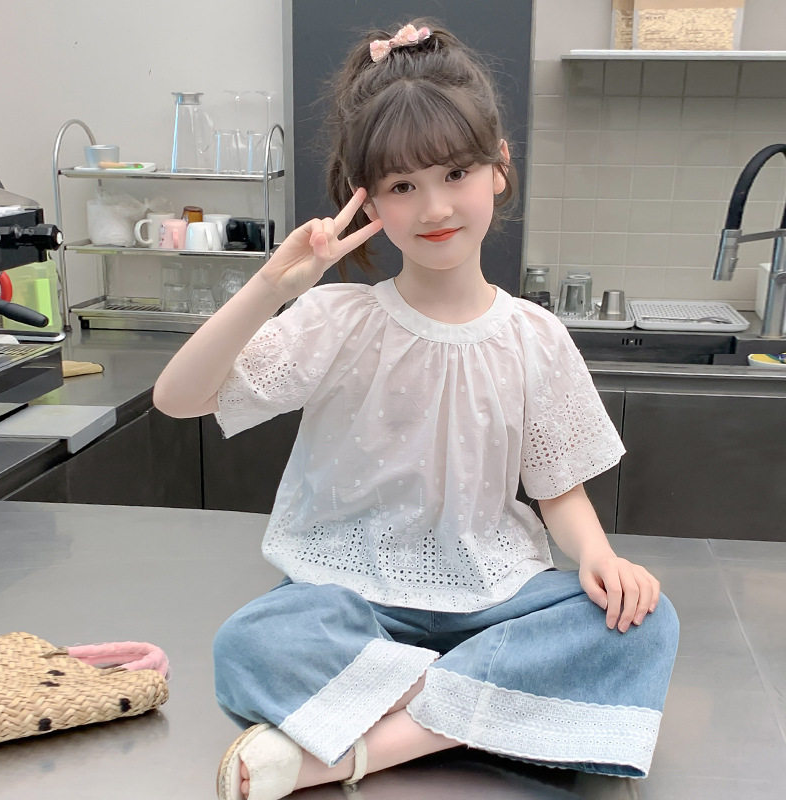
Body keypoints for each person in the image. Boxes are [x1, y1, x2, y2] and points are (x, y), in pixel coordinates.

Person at [153, 20, 679, 800]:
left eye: (456, 172)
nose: (434, 206)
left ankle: (344, 752)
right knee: (251, 644)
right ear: (365, 199)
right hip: (351, 602)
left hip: (497, 600)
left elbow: (558, 488)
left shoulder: (535, 336)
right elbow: (178, 399)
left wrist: (598, 557)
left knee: (645, 621)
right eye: (402, 186)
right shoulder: (339, 320)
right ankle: (492, 708)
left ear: (499, 167)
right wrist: (270, 287)